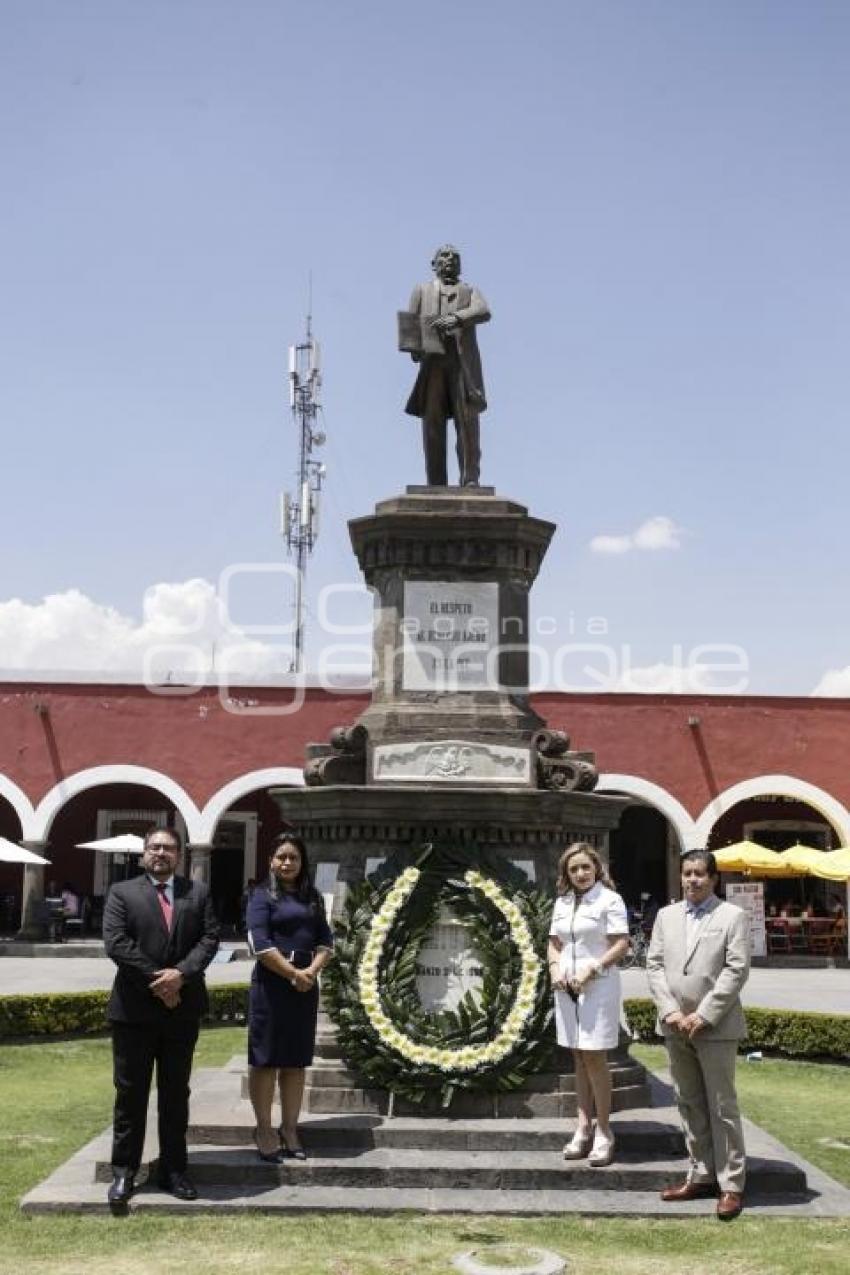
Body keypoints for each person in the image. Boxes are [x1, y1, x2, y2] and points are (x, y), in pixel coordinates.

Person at [102, 826, 219, 1209]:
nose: (161, 853)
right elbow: (116, 943)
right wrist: (160, 981)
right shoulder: (122, 893)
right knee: (130, 1094)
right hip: (134, 1010)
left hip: (181, 1012)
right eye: (154, 847)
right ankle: (124, 1171)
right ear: (143, 854)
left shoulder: (197, 893)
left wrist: (180, 976)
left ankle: (173, 1170)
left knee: (175, 1094)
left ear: (179, 855)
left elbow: (210, 939)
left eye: (169, 848)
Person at [646, 848, 750, 1221]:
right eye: (687, 873)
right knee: (688, 1101)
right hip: (675, 1025)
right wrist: (671, 1010)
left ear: (713, 879)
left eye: (699, 874)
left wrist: (704, 1014)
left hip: (716, 1026)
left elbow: (736, 970)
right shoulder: (666, 916)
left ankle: (732, 1185)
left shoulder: (732, 916)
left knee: (722, 1106)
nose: (692, 880)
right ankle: (701, 1173)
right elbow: (654, 964)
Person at [246, 834, 333, 1162]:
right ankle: (265, 1128)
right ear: (271, 860)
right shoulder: (260, 896)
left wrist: (310, 971)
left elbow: (327, 940)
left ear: (302, 862)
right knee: (266, 1060)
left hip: (305, 987)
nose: (286, 863)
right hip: (272, 985)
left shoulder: (313, 898)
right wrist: (294, 974)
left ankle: (290, 1128)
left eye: (293, 858)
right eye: (281, 857)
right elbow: (260, 943)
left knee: (296, 1062)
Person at [548, 842, 629, 1167]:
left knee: (595, 1057)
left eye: (585, 867)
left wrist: (592, 969)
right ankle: (583, 1126)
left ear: (596, 868)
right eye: (573, 869)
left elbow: (621, 943)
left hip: (598, 987)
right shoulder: (563, 902)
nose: (580, 873)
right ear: (566, 874)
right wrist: (555, 968)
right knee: (578, 1057)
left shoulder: (610, 900)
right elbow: (554, 943)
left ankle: (604, 1131)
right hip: (566, 987)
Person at [402, 244, 490, 487]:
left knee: (468, 422)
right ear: (434, 264)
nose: (450, 260)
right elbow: (411, 326)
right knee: (433, 423)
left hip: (462, 365)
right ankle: (436, 481)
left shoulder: (469, 291)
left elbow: (483, 311)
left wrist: (456, 318)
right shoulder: (422, 290)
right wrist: (415, 349)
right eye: (444, 256)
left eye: (455, 257)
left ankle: (470, 478)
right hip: (433, 365)